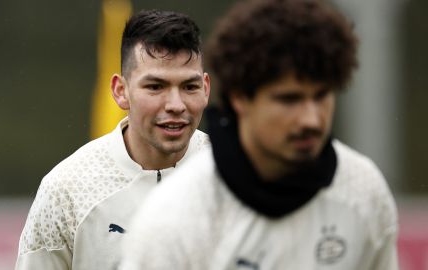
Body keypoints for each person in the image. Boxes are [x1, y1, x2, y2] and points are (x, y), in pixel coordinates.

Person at [120, 0, 398, 269]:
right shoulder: (175, 217)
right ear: (240, 97)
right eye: (289, 100)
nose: (311, 119)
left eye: (321, 96)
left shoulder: (364, 190)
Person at [15, 9, 210, 270]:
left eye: (189, 87)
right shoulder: (67, 191)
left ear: (206, 89)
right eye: (155, 87)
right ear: (121, 91)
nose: (176, 104)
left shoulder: (236, 175)